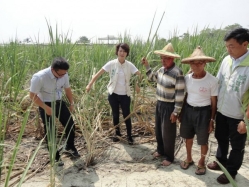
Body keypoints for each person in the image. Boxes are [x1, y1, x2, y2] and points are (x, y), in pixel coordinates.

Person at [207, 28, 249, 184]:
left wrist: (246, 121)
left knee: (237, 146)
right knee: (220, 138)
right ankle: (220, 161)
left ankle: (231, 172)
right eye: (227, 46)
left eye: (232, 46)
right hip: (222, 111)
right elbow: (219, 83)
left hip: (239, 116)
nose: (228, 49)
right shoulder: (227, 60)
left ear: (245, 44)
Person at [86, 43, 140, 145]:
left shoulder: (129, 65)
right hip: (113, 94)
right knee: (115, 115)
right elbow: (97, 74)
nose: (122, 53)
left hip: (125, 95)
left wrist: (137, 84)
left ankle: (129, 136)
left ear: (127, 53)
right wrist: (89, 85)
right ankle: (117, 134)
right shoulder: (111, 64)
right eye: (120, 51)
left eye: (124, 51)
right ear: (117, 52)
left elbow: (139, 74)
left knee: (126, 115)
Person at [30, 57, 80, 166]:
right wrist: (45, 108)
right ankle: (55, 156)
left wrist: (71, 103)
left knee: (70, 125)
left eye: (65, 73)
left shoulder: (64, 74)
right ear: (53, 69)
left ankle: (70, 147)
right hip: (46, 104)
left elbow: (67, 89)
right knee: (51, 131)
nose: (63, 76)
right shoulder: (39, 77)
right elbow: (32, 95)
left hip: (59, 102)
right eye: (60, 74)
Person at [141, 43, 185, 166]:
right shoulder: (161, 70)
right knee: (159, 130)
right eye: (162, 58)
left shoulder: (178, 73)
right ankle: (160, 150)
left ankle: (170, 157)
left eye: (166, 58)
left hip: (169, 106)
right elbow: (151, 77)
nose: (163, 60)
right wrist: (147, 66)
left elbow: (180, 94)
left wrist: (176, 111)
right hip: (159, 104)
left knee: (168, 133)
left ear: (172, 59)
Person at [179, 46, 218, 175]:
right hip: (189, 111)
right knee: (188, 137)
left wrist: (212, 120)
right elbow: (185, 96)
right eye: (193, 62)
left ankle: (201, 161)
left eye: (199, 62)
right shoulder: (187, 79)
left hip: (204, 113)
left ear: (204, 63)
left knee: (203, 140)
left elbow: (214, 102)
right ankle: (189, 158)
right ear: (190, 64)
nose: (196, 66)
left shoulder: (212, 80)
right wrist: (181, 113)